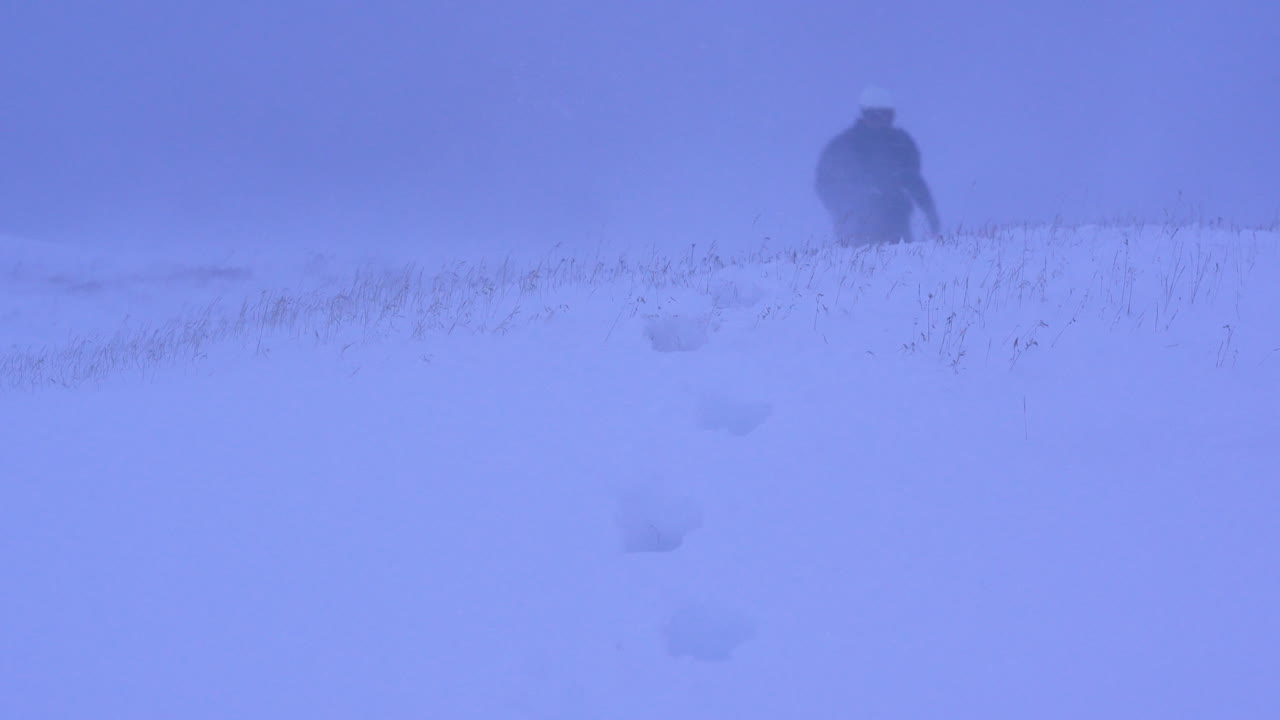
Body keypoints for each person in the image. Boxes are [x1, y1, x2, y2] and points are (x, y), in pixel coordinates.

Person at [814, 86, 940, 246]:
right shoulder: (843, 146)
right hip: (857, 226)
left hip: (896, 221)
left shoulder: (900, 144)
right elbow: (825, 183)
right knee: (860, 267)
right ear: (864, 115)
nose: (880, 121)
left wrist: (929, 211)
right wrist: (846, 208)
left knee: (900, 266)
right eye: (874, 116)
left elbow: (913, 180)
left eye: (886, 115)